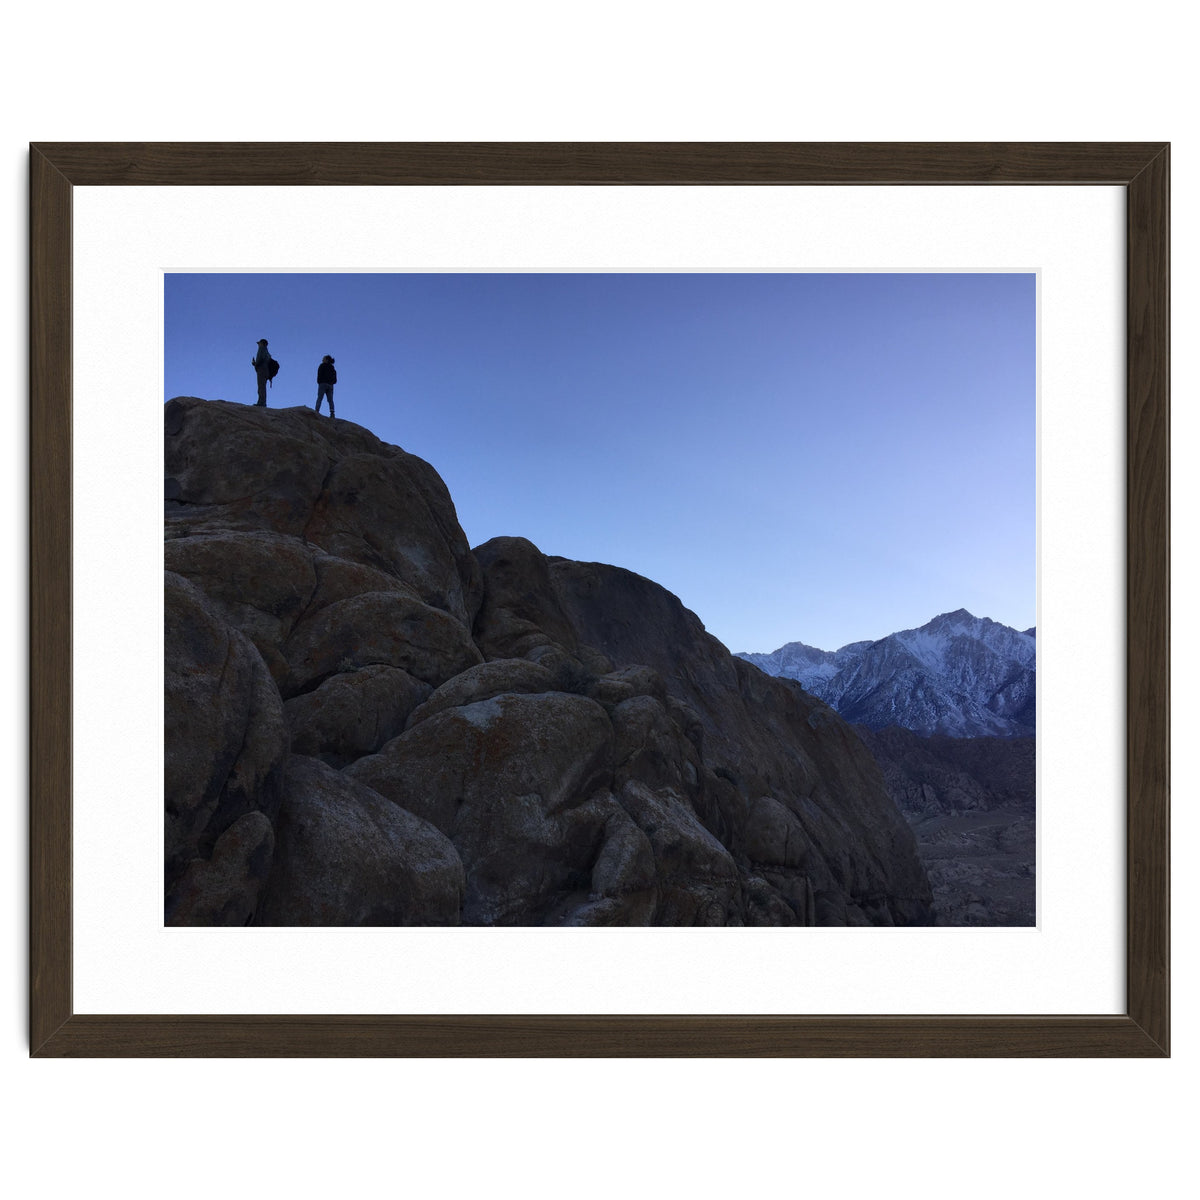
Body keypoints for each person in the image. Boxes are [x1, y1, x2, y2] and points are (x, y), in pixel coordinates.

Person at [252, 339, 272, 406]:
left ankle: (261, 403)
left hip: (261, 370)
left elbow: (261, 358)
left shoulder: (262, 349)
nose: (258, 345)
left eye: (259, 343)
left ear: (262, 343)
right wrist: (255, 364)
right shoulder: (267, 352)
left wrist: (256, 364)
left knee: (261, 387)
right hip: (266, 371)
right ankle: (262, 402)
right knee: (262, 387)